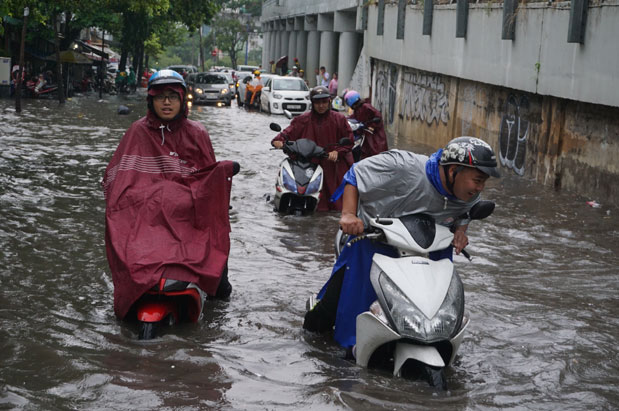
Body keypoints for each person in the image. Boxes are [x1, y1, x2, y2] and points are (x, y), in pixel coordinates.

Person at [303, 137, 501, 348]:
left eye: (483, 182)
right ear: (453, 171)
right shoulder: (404, 166)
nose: (480, 188)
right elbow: (357, 173)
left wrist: (461, 232)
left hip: (428, 250)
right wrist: (349, 214)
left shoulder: (468, 192)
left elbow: (466, 212)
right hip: (375, 241)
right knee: (330, 313)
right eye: (478, 180)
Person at [102, 69, 235, 320]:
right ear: (150, 101)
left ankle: (216, 288)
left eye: (172, 96)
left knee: (217, 239)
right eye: (160, 96)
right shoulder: (136, 132)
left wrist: (225, 170)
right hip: (145, 214)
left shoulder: (198, 133)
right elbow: (118, 177)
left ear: (182, 99)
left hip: (187, 211)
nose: (166, 102)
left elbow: (207, 180)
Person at [271, 85, 354, 211]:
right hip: (307, 166)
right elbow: (286, 133)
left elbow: (349, 141)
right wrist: (279, 141)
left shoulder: (339, 119)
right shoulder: (302, 119)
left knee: (336, 206)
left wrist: (337, 152)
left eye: (324, 102)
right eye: (317, 102)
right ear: (312, 103)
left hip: (332, 165)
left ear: (329, 102)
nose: (321, 106)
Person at [344, 90, 389, 159]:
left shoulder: (366, 106)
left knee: (376, 151)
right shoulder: (358, 109)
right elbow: (353, 117)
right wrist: (344, 119)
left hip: (374, 133)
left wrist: (372, 125)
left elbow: (378, 116)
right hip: (365, 133)